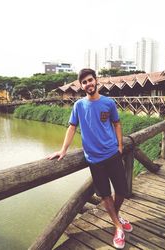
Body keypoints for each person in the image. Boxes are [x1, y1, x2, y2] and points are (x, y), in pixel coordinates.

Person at [48, 68, 133, 249]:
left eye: (90, 80)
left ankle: (115, 217)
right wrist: (63, 150)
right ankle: (118, 226)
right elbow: (71, 128)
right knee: (104, 194)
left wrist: (119, 146)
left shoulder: (108, 103)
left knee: (122, 191)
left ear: (96, 81)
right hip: (94, 159)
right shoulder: (79, 105)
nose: (88, 84)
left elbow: (117, 124)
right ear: (81, 86)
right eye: (84, 82)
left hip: (112, 154)